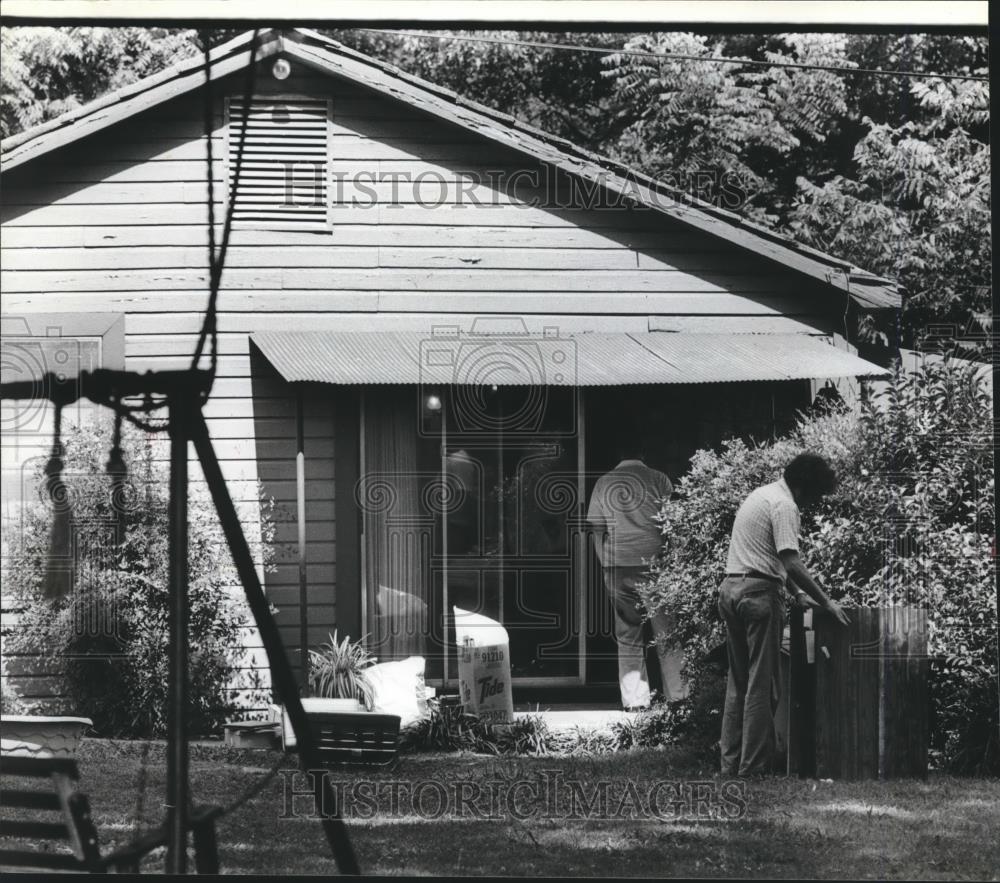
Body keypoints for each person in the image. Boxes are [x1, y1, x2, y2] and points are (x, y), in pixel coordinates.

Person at [719, 452, 850, 777]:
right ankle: (752, 770)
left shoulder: (762, 495)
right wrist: (827, 601)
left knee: (738, 683)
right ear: (805, 488)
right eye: (816, 496)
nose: (812, 504)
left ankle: (729, 765)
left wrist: (797, 594)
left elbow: (767, 555)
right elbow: (791, 562)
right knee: (763, 686)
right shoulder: (786, 506)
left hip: (731, 588)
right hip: (759, 596)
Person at [587, 441, 687, 710]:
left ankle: (635, 704)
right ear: (644, 452)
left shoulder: (604, 482)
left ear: (618, 454)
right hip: (656, 566)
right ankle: (678, 698)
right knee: (667, 633)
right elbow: (674, 525)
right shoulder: (658, 479)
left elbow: (597, 530)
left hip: (618, 566)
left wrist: (605, 561)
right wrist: (673, 561)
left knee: (628, 634)